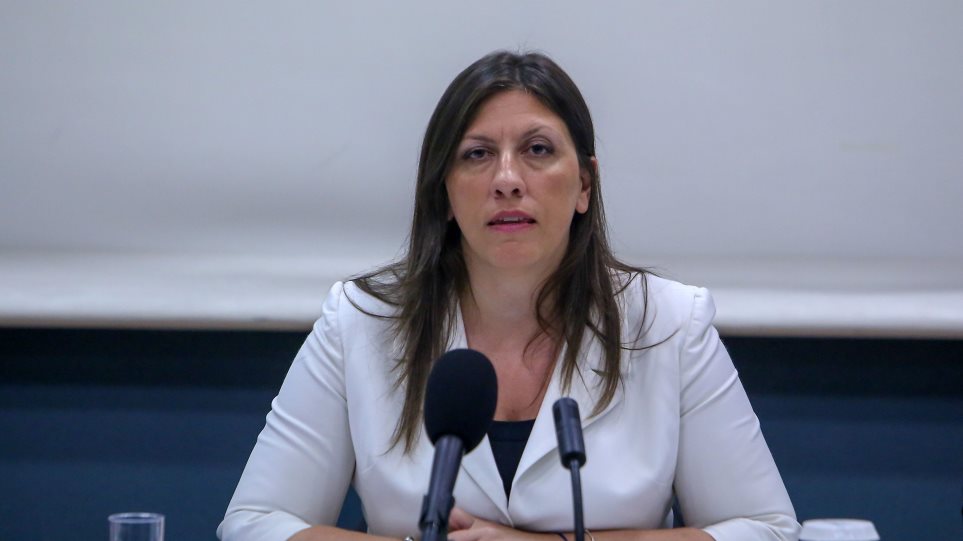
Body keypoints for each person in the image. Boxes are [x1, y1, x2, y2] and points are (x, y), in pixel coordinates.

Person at [218, 51, 800, 541]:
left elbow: (765, 529)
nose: (507, 180)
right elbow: (254, 523)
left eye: (538, 150)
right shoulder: (363, 321)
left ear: (585, 184)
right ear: (445, 194)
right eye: (476, 154)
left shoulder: (668, 323)